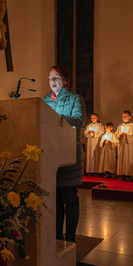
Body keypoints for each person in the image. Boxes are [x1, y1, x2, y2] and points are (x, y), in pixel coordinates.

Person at [42, 65, 86, 242]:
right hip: (51, 155)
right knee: (56, 199)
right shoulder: (43, 101)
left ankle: (71, 237)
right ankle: (57, 237)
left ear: (65, 80)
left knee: (70, 198)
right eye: (50, 78)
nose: (53, 81)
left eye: (57, 77)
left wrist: (56, 119)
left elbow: (79, 120)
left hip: (69, 154)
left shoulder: (75, 98)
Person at [115, 110, 133, 181]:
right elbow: (116, 135)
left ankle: (128, 175)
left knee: (128, 159)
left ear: (129, 117)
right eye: (123, 116)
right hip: (121, 145)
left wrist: (127, 135)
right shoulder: (120, 126)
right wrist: (119, 136)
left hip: (128, 145)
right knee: (121, 159)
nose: (124, 117)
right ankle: (122, 174)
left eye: (126, 116)